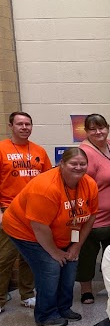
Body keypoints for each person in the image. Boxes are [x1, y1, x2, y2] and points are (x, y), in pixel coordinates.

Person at [3, 148, 97, 326]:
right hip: (25, 230)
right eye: (73, 164)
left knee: (71, 263)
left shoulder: (89, 184)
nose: (78, 167)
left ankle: (63, 308)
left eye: (82, 164)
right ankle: (46, 314)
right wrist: (54, 252)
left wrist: (75, 246)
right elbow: (39, 227)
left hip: (64, 230)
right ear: (61, 164)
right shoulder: (45, 187)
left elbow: (89, 218)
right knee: (51, 266)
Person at [0, 111, 52, 311]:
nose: (24, 127)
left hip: (34, 212)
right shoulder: (2, 149)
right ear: (11, 126)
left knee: (29, 257)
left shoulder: (38, 150)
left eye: (28, 124)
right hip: (9, 211)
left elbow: (48, 181)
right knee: (5, 257)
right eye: (20, 124)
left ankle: (27, 294)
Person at [78, 114, 110, 307]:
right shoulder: (84, 153)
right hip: (93, 219)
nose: (98, 132)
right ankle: (86, 289)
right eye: (93, 129)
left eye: (101, 128)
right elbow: (81, 187)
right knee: (87, 256)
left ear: (108, 127)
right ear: (87, 132)